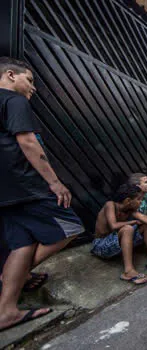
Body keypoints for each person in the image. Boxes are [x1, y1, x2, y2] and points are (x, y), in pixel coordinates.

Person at [0, 57, 85, 331]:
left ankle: (6, 311)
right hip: (26, 186)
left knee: (21, 245)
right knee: (72, 227)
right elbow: (26, 141)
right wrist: (55, 182)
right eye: (30, 80)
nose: (33, 88)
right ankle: (13, 276)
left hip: (5, 192)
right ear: (11, 75)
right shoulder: (14, 101)